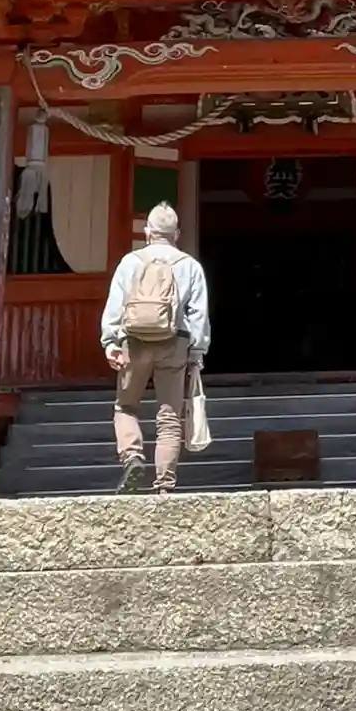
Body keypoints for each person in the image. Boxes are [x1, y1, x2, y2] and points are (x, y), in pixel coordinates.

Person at [100, 202, 210, 494]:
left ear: (147, 232)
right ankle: (164, 484)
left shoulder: (130, 262)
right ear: (177, 234)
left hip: (133, 342)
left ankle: (133, 458)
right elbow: (198, 315)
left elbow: (115, 305)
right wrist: (197, 353)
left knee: (126, 406)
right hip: (175, 343)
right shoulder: (190, 266)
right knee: (170, 415)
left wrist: (110, 342)